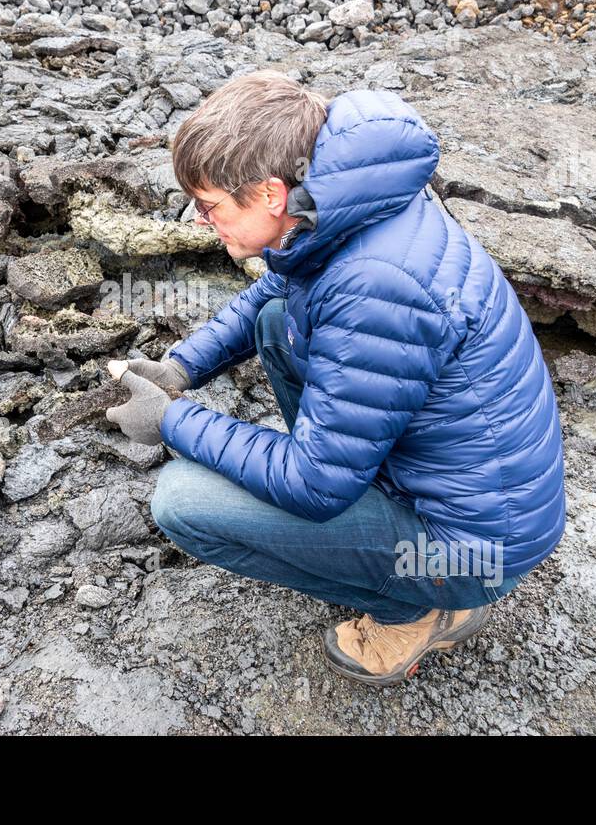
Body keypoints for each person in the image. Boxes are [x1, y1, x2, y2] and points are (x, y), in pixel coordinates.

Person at [104, 69, 567, 687]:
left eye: (210, 206)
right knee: (276, 321)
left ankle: (415, 609)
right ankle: (379, 542)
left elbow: (313, 483)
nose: (198, 221)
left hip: (471, 551)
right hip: (461, 492)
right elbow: (275, 290)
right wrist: (182, 366)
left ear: (270, 193)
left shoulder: (378, 287)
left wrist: (170, 419)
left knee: (184, 503)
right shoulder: (343, 200)